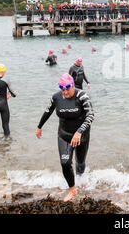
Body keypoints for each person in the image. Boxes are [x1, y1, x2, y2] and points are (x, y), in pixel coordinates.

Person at [36, 73, 94, 202]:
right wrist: (39, 126)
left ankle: (81, 179)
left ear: (73, 85)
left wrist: (79, 132)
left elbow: (90, 115)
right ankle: (72, 189)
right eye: (62, 88)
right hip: (64, 135)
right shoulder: (56, 97)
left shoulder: (82, 96)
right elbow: (48, 111)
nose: (65, 91)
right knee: (65, 163)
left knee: (80, 162)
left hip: (81, 136)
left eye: (68, 87)